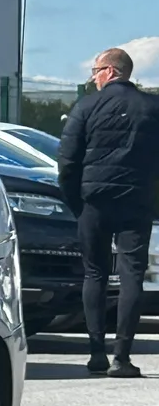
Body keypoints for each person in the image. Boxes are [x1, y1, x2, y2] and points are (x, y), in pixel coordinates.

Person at [57, 47, 159, 376]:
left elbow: (68, 161)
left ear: (111, 71)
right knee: (131, 275)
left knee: (95, 273)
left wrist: (76, 201)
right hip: (136, 200)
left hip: (93, 201)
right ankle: (122, 357)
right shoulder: (152, 108)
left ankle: (96, 352)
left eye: (95, 70)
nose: (93, 77)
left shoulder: (86, 106)